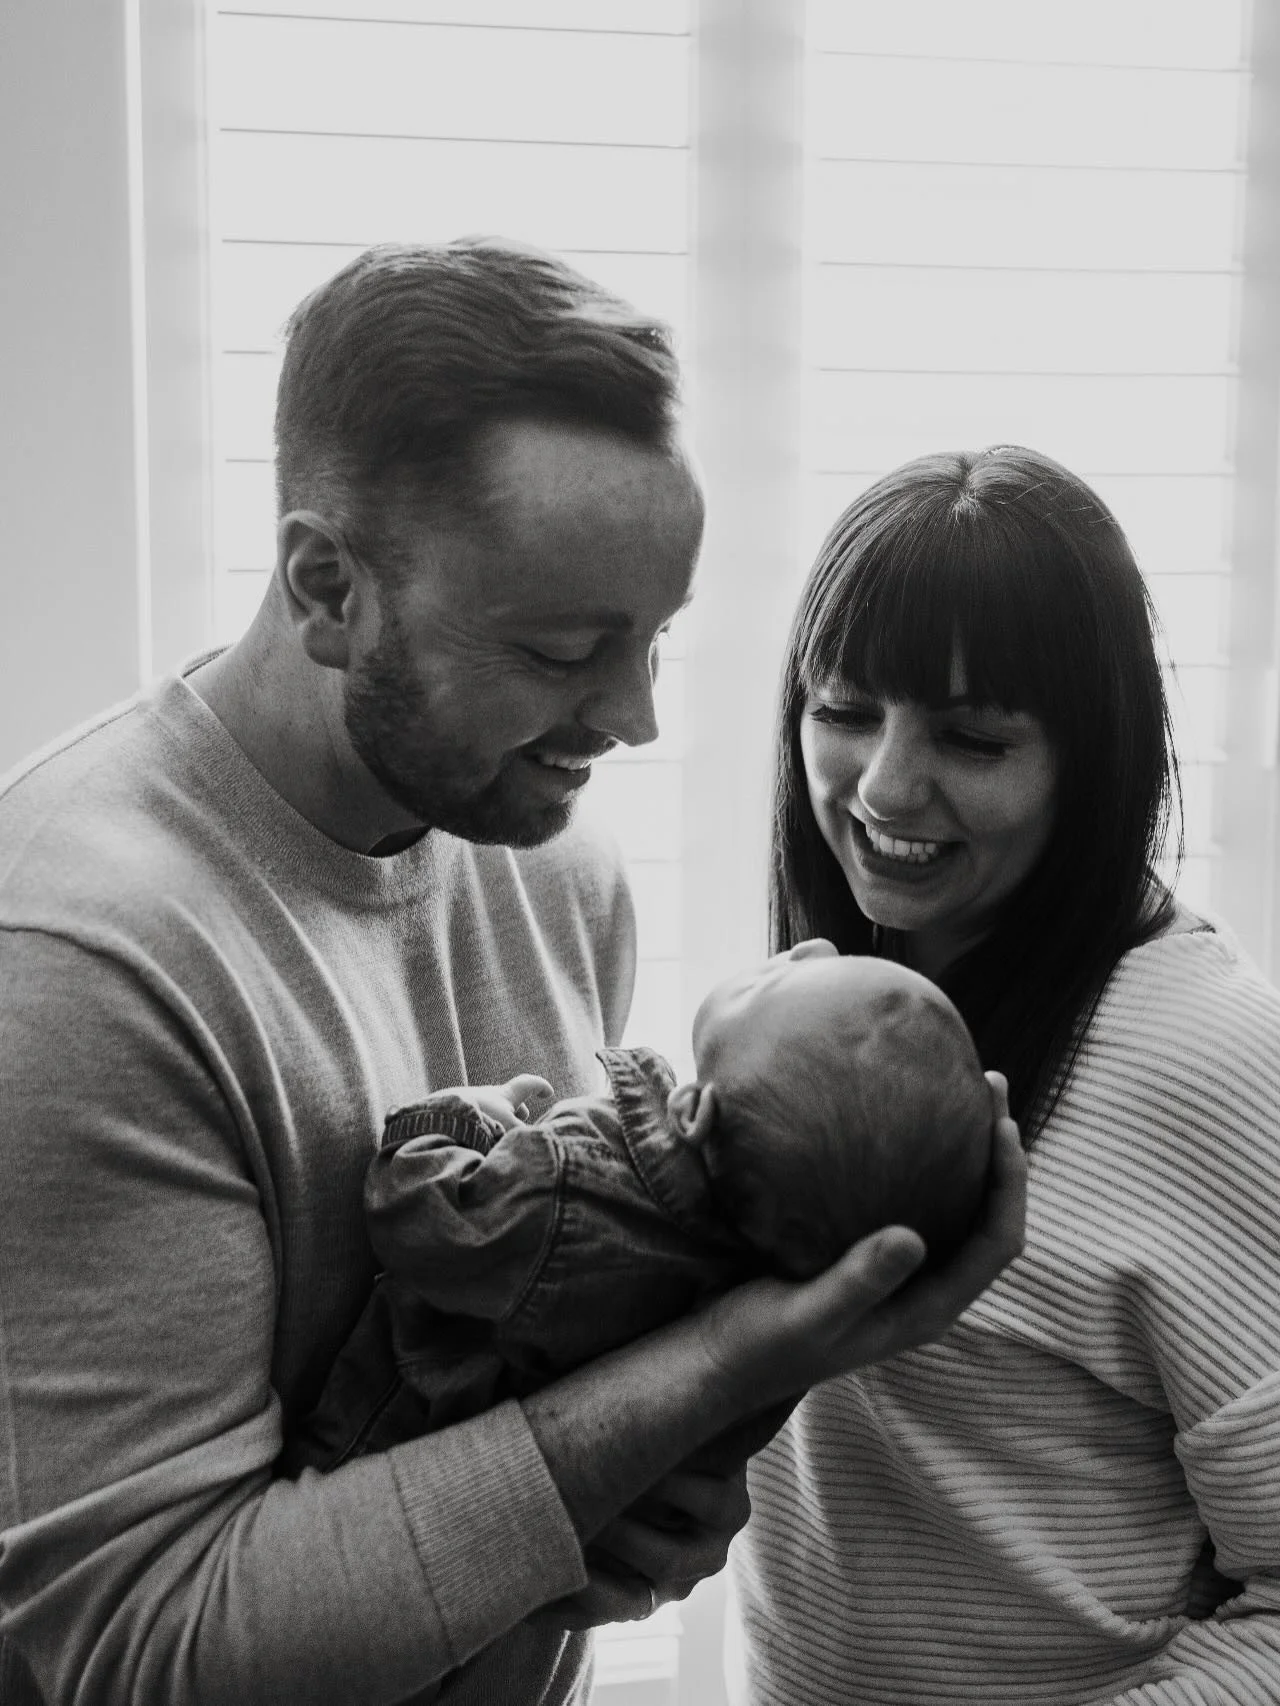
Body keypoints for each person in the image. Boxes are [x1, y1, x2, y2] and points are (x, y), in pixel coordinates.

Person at [0, 241, 1026, 1706]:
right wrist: (706, 1374)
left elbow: (539, 1400)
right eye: (563, 649)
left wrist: (635, 1519)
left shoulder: (556, 864)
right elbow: (144, 1649)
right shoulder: (76, 963)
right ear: (327, 585)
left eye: (657, 638)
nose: (636, 716)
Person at [732, 444, 1280, 1704]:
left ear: (1094, 759)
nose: (880, 785)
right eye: (844, 709)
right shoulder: (821, 1000)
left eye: (972, 736)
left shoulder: (1211, 1062)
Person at [282, 943, 994, 1475]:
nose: (810, 947)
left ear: (691, 1109)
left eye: (774, 982)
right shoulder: (745, 1300)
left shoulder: (574, 1189)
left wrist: (464, 1117)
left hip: (364, 1448)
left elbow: (424, 1221)